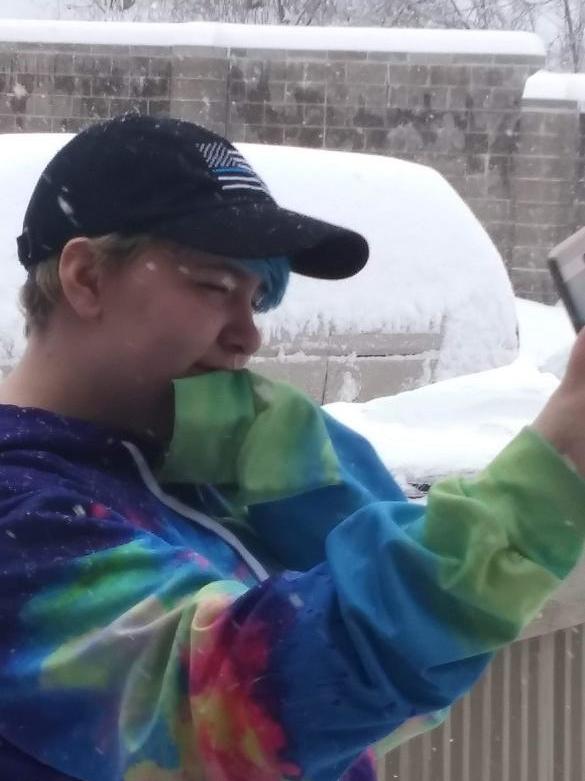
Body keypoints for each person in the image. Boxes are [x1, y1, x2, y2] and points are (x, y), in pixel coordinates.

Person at [0, 113, 584, 781]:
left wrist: (290, 456)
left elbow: (398, 692)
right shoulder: (20, 514)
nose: (248, 336)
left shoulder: (193, 463)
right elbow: (239, 704)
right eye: (215, 286)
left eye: (257, 301)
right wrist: (555, 467)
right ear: (86, 278)